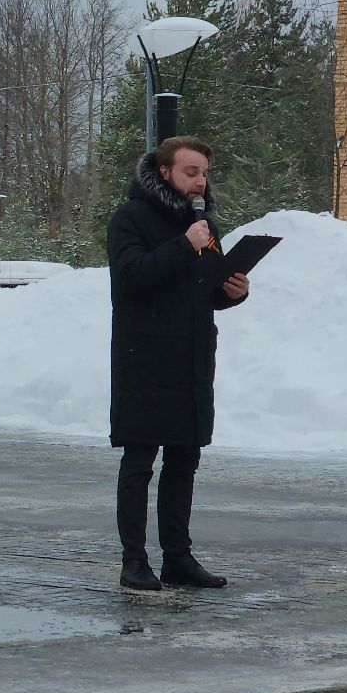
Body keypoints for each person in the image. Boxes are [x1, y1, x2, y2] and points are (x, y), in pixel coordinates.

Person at [106, 135, 251, 592]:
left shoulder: (202, 224)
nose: (200, 182)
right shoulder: (131, 218)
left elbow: (201, 291)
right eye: (192, 172)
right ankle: (134, 561)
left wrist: (232, 293)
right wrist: (184, 247)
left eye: (205, 173)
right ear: (165, 172)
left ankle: (178, 558)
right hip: (145, 358)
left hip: (191, 359)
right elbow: (131, 279)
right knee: (140, 461)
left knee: (184, 460)